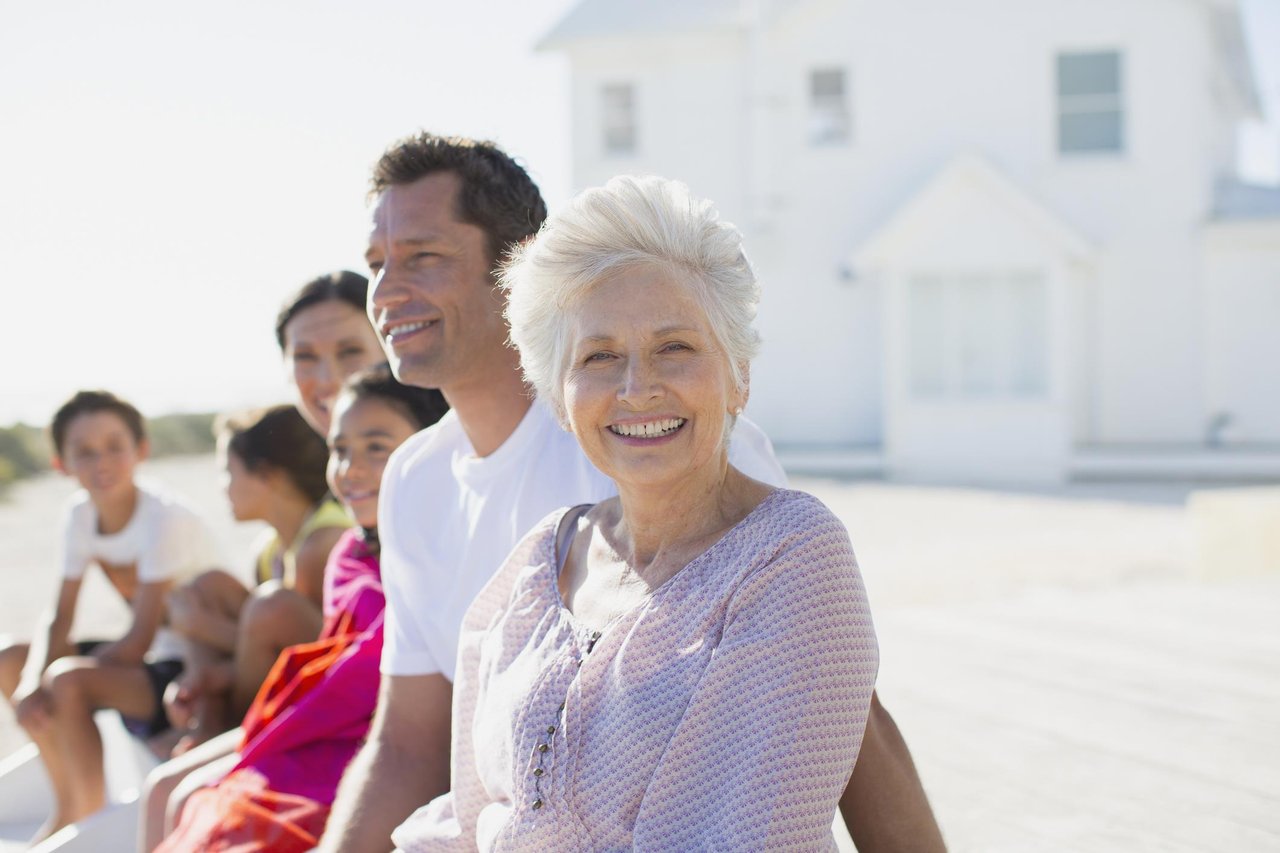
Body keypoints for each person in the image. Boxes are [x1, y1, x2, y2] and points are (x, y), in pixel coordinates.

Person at [321, 133, 942, 853]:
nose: (637, 386)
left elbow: (843, 716)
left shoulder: (754, 517)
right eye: (599, 356)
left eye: (675, 347)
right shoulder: (494, 536)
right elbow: (431, 766)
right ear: (559, 385)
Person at [148, 365, 448, 852]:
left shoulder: (445, 554)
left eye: (376, 447)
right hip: (317, 732)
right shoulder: (350, 555)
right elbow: (332, 662)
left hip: (388, 745)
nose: (350, 469)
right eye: (340, 449)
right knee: (193, 804)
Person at [139, 270, 390, 840]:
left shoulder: (387, 489)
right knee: (170, 794)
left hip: (377, 727)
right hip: (326, 712)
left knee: (189, 802)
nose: (328, 378)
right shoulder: (348, 506)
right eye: (305, 357)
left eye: (350, 350)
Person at [0, 390, 221, 841]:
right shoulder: (80, 514)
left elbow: (139, 639)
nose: (101, 462)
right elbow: (60, 616)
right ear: (61, 462)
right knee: (11, 660)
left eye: (114, 447)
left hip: (193, 664)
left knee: (67, 680)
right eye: (84, 451)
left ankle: (87, 816)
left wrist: (53, 680)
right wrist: (29, 685)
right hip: (145, 660)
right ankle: (66, 806)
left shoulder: (164, 518)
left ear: (141, 449)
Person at [163, 404, 348, 750]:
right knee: (205, 587)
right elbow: (259, 649)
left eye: (227, 473)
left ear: (268, 477)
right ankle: (207, 718)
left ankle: (227, 735)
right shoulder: (269, 551)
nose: (222, 487)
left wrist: (201, 627)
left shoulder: (323, 543)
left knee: (272, 607)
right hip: (285, 676)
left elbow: (314, 651)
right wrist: (204, 676)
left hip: (332, 689)